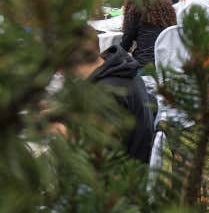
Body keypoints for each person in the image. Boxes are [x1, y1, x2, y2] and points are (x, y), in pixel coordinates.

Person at [64, 32, 155, 163]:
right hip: (137, 157)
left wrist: (64, 134)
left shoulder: (105, 94)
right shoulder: (121, 68)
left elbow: (98, 160)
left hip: (125, 171)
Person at [121, 0, 177, 67]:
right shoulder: (168, 5)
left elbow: (126, 44)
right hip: (168, 63)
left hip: (145, 66)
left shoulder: (135, 8)